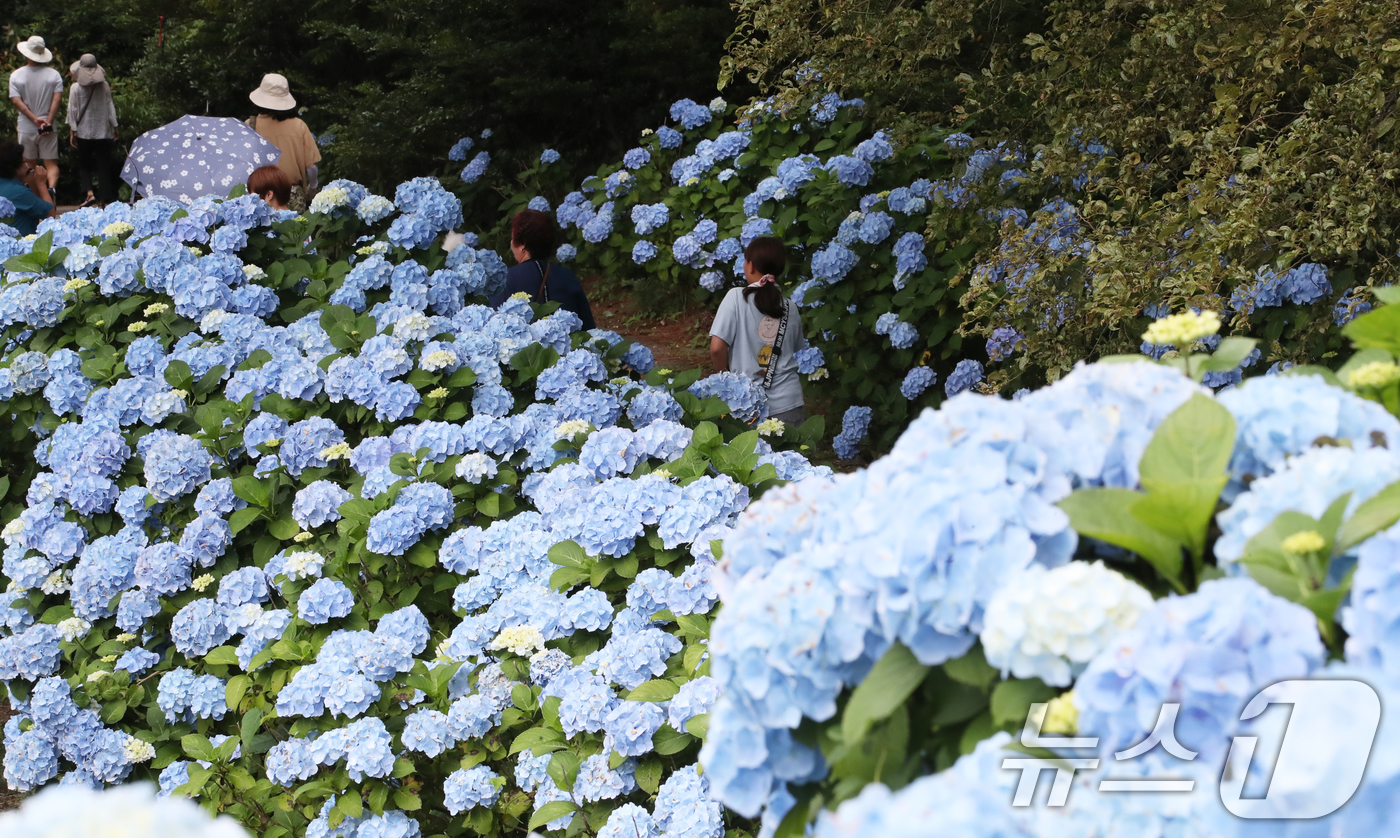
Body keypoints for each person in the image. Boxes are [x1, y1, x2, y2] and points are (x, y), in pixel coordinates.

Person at [709, 236, 809, 426]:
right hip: (788, 403)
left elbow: (716, 348)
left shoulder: (735, 297)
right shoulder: (790, 307)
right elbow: (794, 349)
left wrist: (725, 378)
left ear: (751, 266)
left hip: (746, 404)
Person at [488, 209, 596, 329]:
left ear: (522, 245)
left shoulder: (504, 281)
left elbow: (497, 330)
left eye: (512, 238)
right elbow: (588, 329)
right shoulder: (568, 276)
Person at [246, 73, 320, 210]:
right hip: (292, 194)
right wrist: (312, 187)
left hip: (260, 195)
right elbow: (311, 168)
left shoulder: (250, 126)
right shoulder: (299, 126)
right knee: (294, 224)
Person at [8, 35, 62, 202]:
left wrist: (34, 120)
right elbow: (57, 100)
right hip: (48, 127)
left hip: (27, 126)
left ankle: (38, 198)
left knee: (29, 166)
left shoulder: (16, 76)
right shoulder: (54, 75)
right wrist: (48, 121)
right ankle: (51, 188)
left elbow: (17, 102)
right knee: (51, 163)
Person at [67, 54, 119, 208]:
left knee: (84, 164)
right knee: (103, 166)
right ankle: (105, 200)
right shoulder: (104, 86)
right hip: (103, 132)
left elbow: (72, 111)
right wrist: (115, 127)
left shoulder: (75, 88)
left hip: (83, 133)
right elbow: (110, 107)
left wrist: (73, 130)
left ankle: (89, 193)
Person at [0, 140, 57, 235]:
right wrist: (41, 184)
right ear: (15, 168)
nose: (27, 166)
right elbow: (50, 214)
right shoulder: (19, 192)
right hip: (20, 242)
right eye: (24, 162)